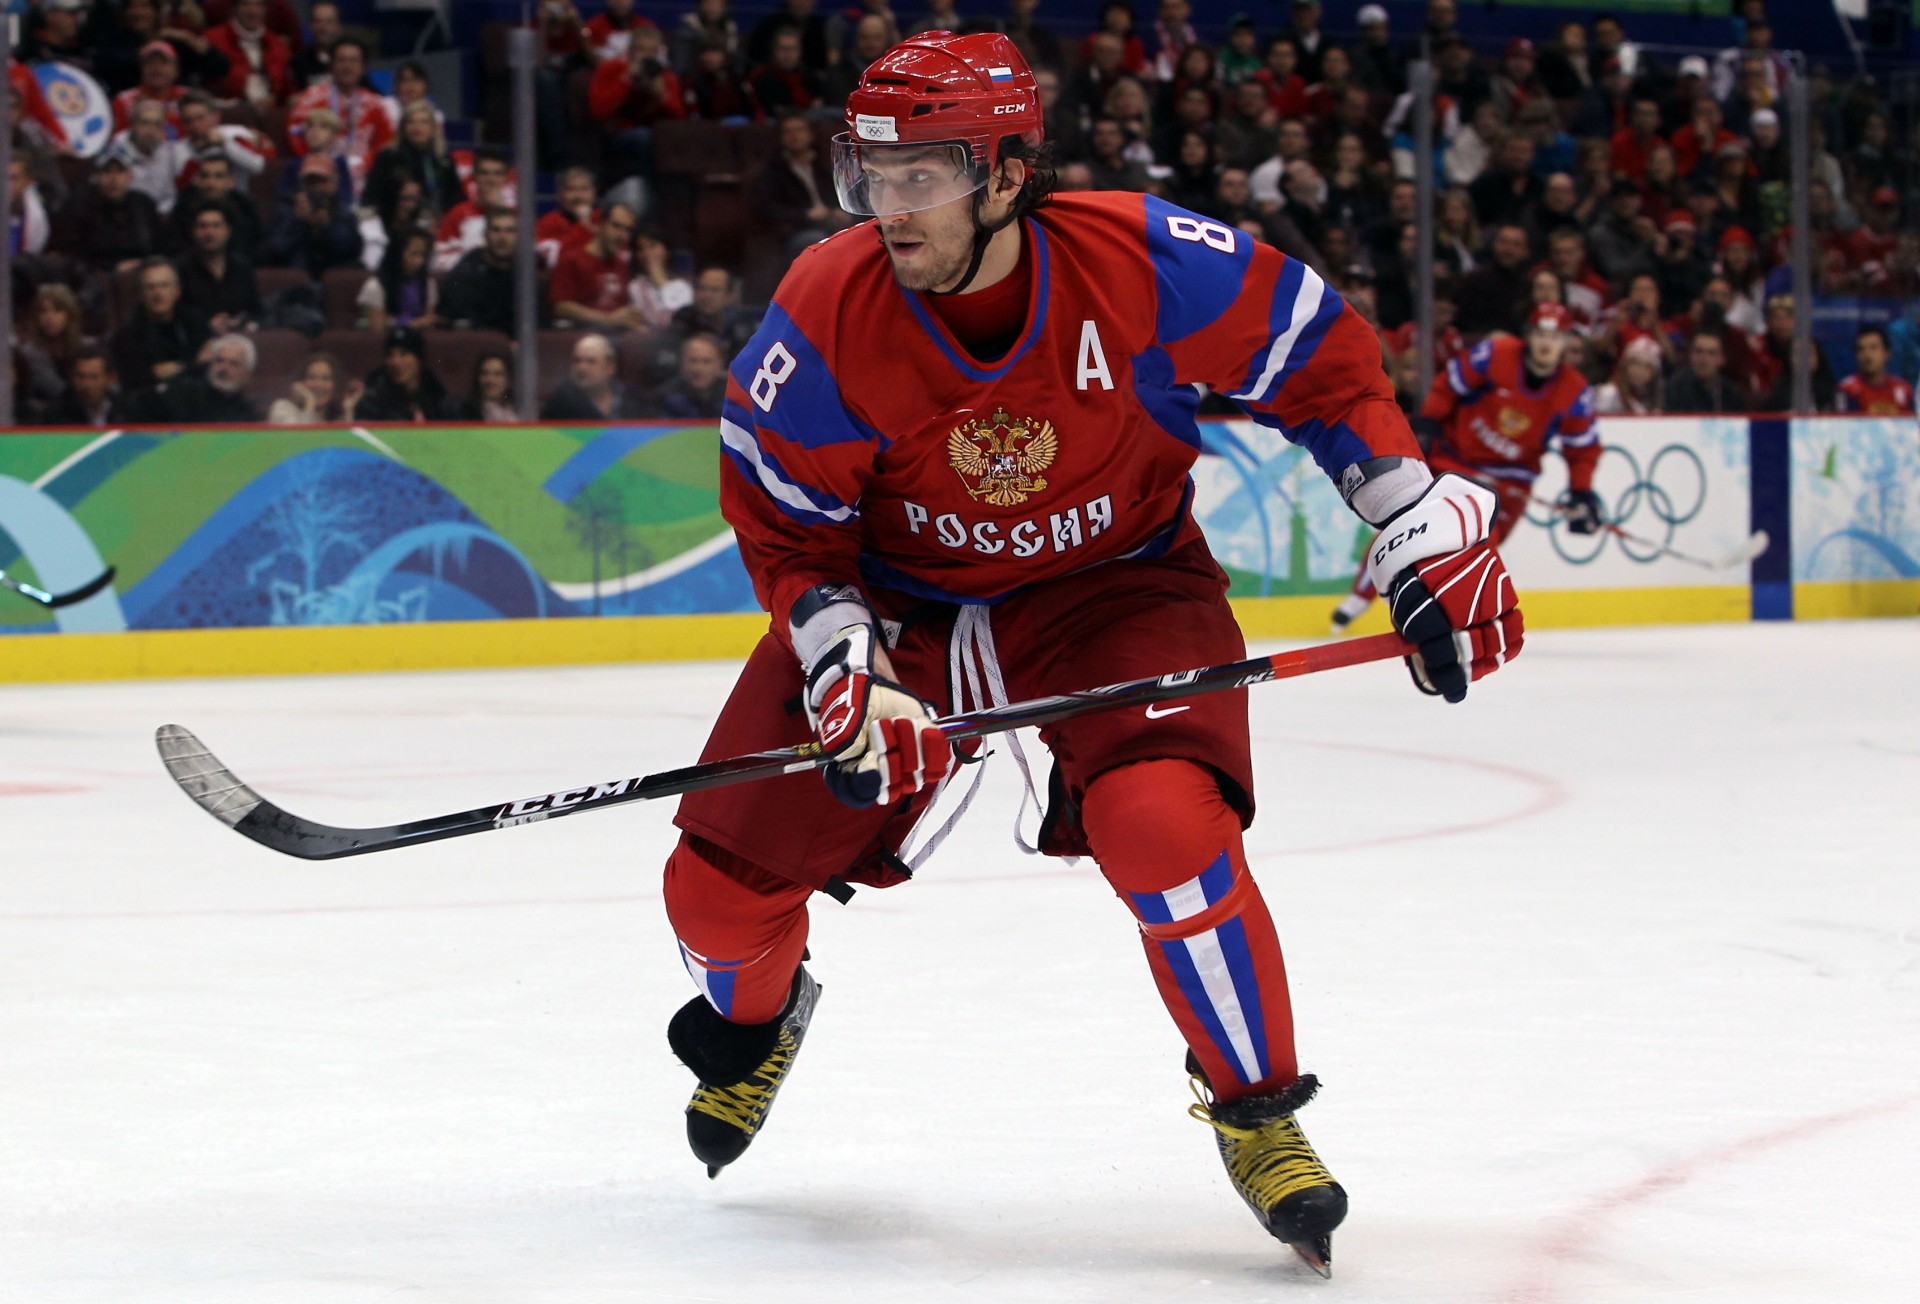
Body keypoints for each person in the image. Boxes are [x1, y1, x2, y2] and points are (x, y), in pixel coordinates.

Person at [660, 32, 1521, 1279]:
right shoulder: (826, 311)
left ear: (1009, 174)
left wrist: (1407, 513)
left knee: (1164, 824)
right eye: (870, 176)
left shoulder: (1143, 262)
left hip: (1117, 584)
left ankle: (1258, 1108)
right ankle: (759, 1021)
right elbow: (789, 527)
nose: (887, 207)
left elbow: (1316, 356)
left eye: (920, 177)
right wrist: (847, 659)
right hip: (901, 606)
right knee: (712, 896)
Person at [1332, 304, 1597, 629]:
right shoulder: (1496, 354)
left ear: (1567, 341)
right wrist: (1428, 423)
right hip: (1455, 462)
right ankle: (1359, 597)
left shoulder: (1574, 392)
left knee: (1480, 544)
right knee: (1405, 525)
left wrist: (1581, 492)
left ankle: (1454, 618)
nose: (1546, 343)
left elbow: (1582, 449)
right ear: (1529, 335)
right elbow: (1448, 385)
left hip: (1510, 484)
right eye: (1541, 333)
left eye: (1555, 337)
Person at [288, 36, 394, 186]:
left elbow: (385, 145)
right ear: (331, 65)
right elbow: (295, 134)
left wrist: (362, 165)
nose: (347, 66)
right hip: (317, 176)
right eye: (341, 60)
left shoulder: (376, 105)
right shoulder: (310, 99)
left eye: (353, 61)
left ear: (363, 68)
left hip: (365, 177)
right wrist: (317, 162)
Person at [749, 110, 849, 262]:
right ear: (781, 137)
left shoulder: (821, 164)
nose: (794, 136)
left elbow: (835, 193)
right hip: (798, 229)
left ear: (810, 134)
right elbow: (767, 209)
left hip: (829, 221)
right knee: (817, 239)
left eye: (799, 130)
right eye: (788, 132)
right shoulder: (773, 171)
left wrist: (836, 210)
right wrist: (806, 215)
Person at [110, 257, 211, 394]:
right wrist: (192, 365)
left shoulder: (194, 319)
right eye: (150, 287)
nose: (158, 293)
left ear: (177, 291)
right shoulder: (127, 335)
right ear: (141, 294)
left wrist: (178, 368)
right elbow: (139, 383)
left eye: (164, 286)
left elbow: (209, 363)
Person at [54, 152, 165, 273]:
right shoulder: (82, 208)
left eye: (120, 171)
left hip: (146, 271)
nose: (114, 179)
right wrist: (113, 267)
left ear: (129, 175)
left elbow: (160, 246)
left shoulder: (144, 204)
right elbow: (76, 255)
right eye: (107, 172)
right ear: (97, 176)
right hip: (100, 275)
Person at [123, 332, 262, 424]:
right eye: (219, 361)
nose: (224, 369)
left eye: (234, 364)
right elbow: (138, 406)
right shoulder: (184, 392)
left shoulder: (250, 417)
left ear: (247, 374)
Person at [550, 201, 646, 331]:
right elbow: (561, 307)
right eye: (616, 226)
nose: (622, 235)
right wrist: (606, 319)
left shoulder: (622, 265)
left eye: (627, 230)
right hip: (581, 334)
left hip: (618, 334)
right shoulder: (571, 260)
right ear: (601, 225)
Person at [264, 154, 363, 275]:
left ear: (334, 184)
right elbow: (275, 251)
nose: (316, 188)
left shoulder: (342, 210)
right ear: (301, 184)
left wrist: (327, 226)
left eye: (322, 181)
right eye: (310, 182)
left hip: (332, 273)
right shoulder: (285, 208)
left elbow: (351, 250)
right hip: (296, 274)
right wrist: (298, 221)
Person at [174, 200, 263, 334]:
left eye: (216, 226)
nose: (209, 232)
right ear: (193, 232)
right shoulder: (179, 269)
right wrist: (206, 325)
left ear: (228, 231)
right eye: (202, 226)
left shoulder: (242, 267)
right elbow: (176, 314)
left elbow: (255, 310)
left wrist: (241, 321)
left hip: (239, 336)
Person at [439, 207, 522, 336]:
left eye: (510, 231)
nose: (502, 237)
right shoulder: (466, 273)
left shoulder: (524, 273)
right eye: (496, 230)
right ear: (485, 234)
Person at [206, 0, 293, 107]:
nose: (253, 11)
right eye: (246, 4)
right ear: (234, 8)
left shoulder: (277, 44)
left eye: (258, 5)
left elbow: (285, 88)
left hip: (271, 109)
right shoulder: (214, 39)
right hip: (229, 108)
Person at [540, 333, 648, 419]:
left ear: (610, 367)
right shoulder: (561, 402)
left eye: (591, 361)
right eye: (577, 361)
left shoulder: (633, 399)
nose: (581, 368)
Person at [357, 325, 450, 422]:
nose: (395, 362)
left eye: (404, 354)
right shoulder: (374, 403)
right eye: (390, 355)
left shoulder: (437, 399)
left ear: (419, 359)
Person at [359, 227, 440, 333]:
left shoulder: (428, 283)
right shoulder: (376, 286)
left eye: (423, 255)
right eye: (413, 254)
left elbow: (429, 321)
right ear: (397, 253)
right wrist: (413, 324)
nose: (419, 261)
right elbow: (377, 327)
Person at [37, 346, 125, 428]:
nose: (86, 384)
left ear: (110, 378)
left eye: (94, 377)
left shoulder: (124, 410)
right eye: (80, 377)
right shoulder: (56, 414)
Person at [628, 227, 694, 331]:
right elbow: (647, 322)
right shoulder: (635, 286)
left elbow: (682, 319)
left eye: (653, 246)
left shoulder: (684, 285)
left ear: (666, 251)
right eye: (641, 249)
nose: (647, 253)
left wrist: (660, 280)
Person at [1838, 326, 1914, 415]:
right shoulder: (1847, 390)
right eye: (1861, 349)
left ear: (1887, 353)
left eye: (1873, 348)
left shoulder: (1904, 389)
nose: (1867, 355)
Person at [267, 351, 361, 423]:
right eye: (312, 378)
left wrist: (348, 411)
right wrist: (310, 402)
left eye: (326, 378)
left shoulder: (337, 419)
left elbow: (346, 442)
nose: (319, 385)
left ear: (336, 385)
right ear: (300, 382)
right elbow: (300, 439)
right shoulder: (283, 408)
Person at [649, 330, 726, 418]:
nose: (698, 368)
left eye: (706, 362)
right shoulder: (664, 398)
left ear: (720, 365)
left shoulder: (733, 397)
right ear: (682, 363)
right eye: (693, 360)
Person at [1663, 329, 1741, 413]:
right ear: (1690, 355)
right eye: (1698, 351)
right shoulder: (1676, 387)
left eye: (1711, 353)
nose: (1703, 359)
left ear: (1722, 358)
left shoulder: (1731, 393)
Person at [1593, 335, 1664, 415]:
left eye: (1647, 367)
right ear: (1625, 367)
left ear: (1655, 373)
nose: (1639, 371)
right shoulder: (1609, 394)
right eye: (1635, 364)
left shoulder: (1655, 397)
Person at [453, 349, 517, 422]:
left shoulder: (518, 408)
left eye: (497, 374)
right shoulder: (464, 411)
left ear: (509, 379)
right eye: (484, 373)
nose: (490, 380)